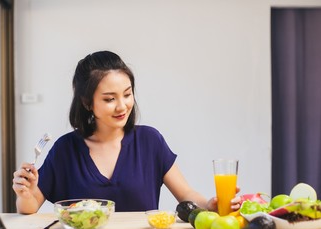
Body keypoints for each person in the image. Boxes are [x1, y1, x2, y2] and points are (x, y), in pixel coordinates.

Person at [12, 50, 241, 213]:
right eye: (110, 99)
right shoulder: (65, 149)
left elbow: (187, 195)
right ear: (87, 102)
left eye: (127, 94)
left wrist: (211, 204)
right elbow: (30, 206)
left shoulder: (150, 141)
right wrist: (25, 193)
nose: (122, 106)